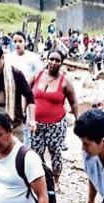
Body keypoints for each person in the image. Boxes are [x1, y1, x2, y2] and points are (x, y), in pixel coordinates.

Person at [30, 50, 77, 188]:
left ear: (61, 63)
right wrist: (26, 113)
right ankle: (40, 179)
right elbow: (25, 92)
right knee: (36, 153)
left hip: (56, 125)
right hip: (36, 124)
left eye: (57, 60)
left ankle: (56, 179)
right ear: (47, 59)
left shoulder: (65, 82)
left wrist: (79, 119)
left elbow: (73, 102)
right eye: (51, 59)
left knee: (55, 152)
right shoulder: (37, 76)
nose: (54, 62)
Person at [0, 42, 36, 141]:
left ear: (2, 58)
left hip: (14, 126)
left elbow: (30, 97)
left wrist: (32, 119)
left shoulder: (16, 75)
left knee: (16, 154)